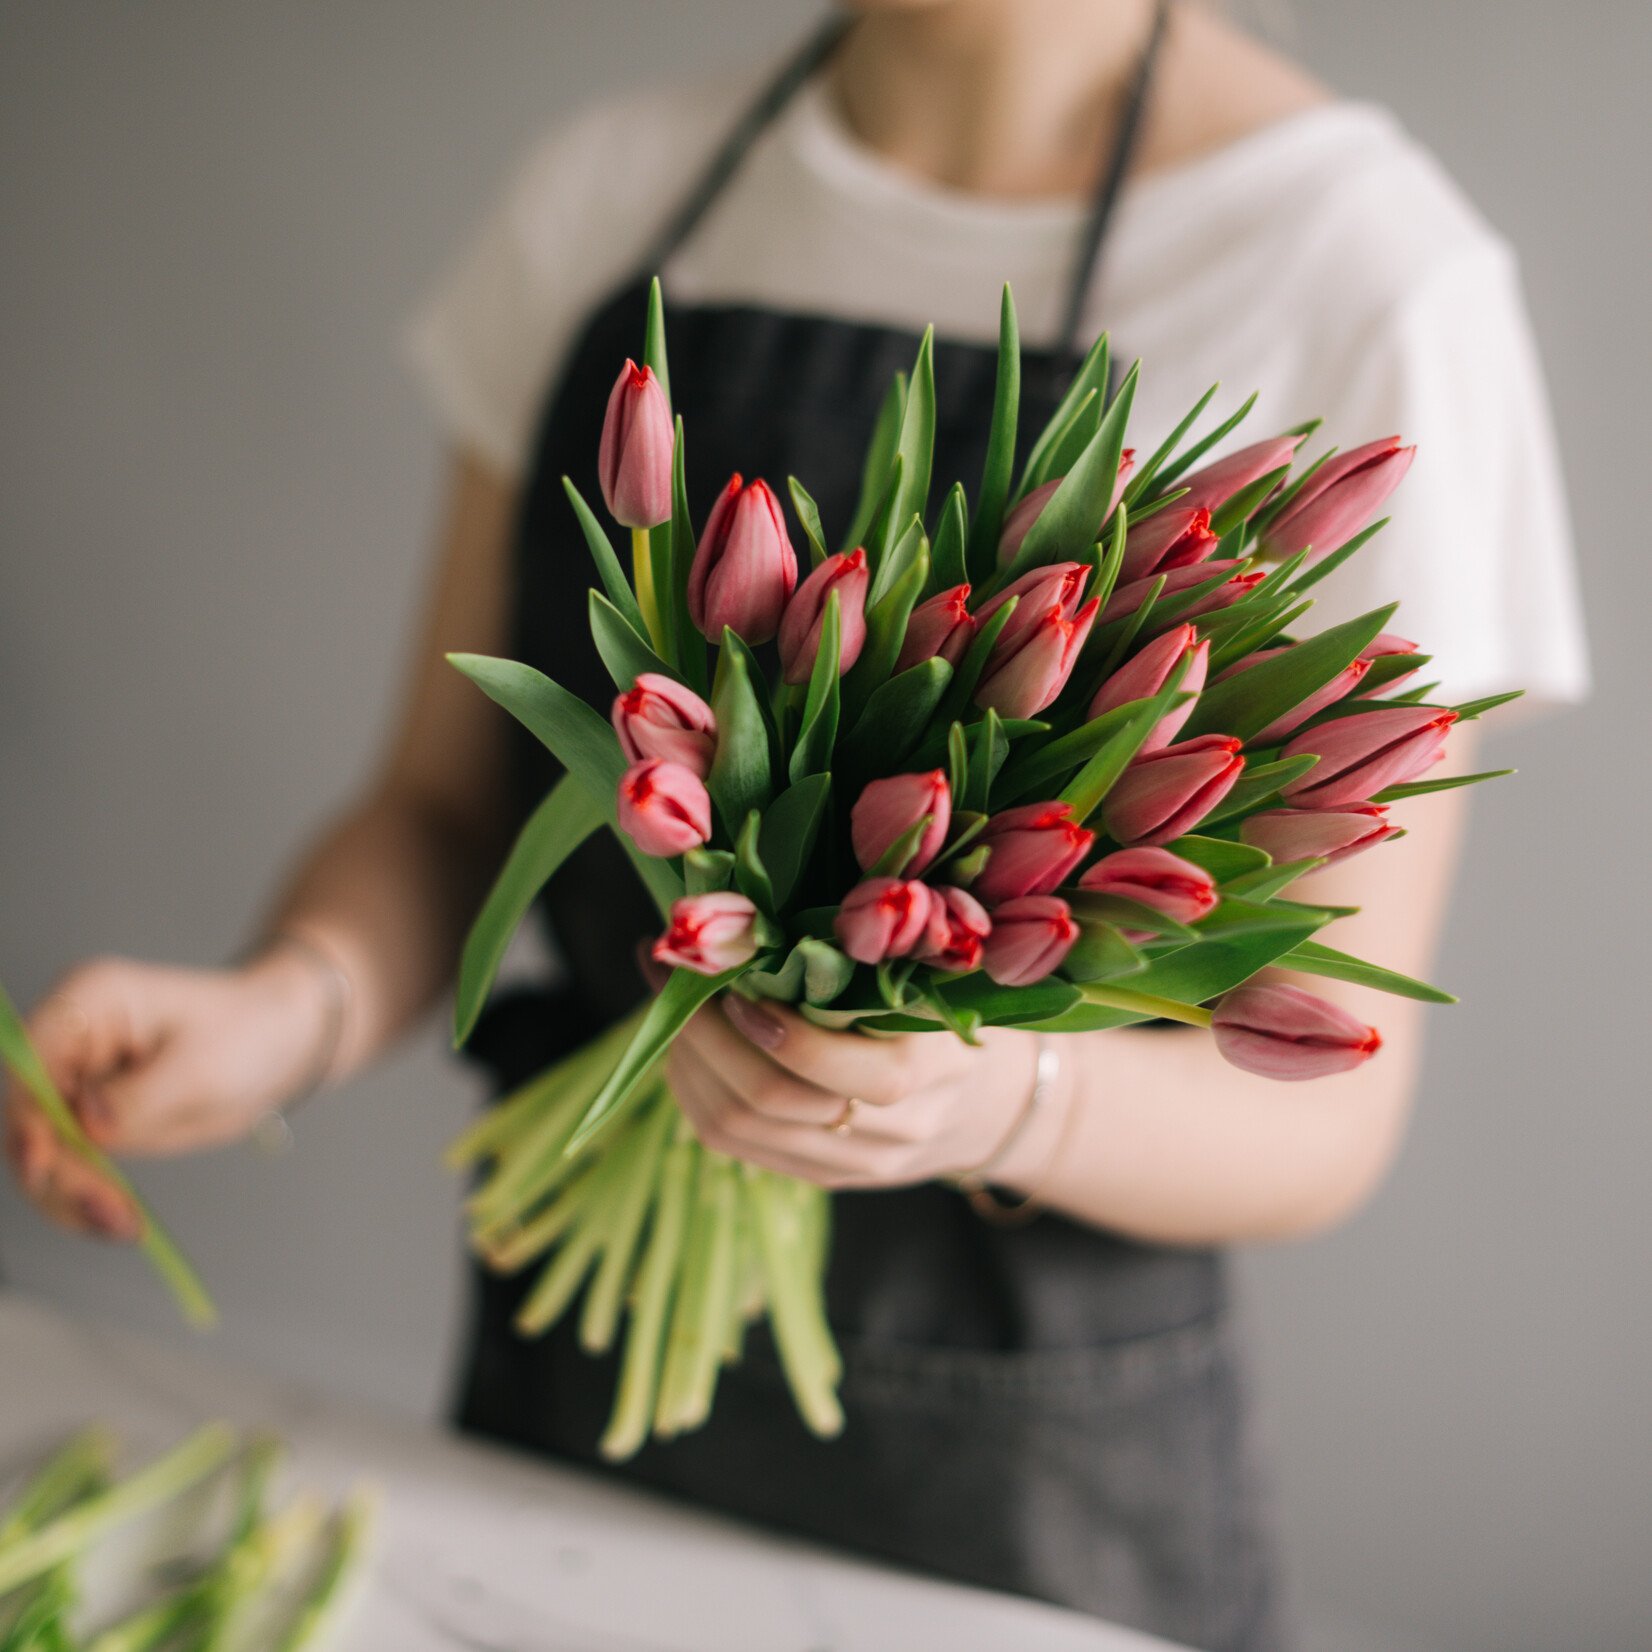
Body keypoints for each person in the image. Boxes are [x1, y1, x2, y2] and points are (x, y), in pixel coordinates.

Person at [2, 3, 1588, 1648]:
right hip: (570, 1408)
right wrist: (286, 1013)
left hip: (1024, 1486)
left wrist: (999, 1100)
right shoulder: (618, 186)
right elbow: (445, 802)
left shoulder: (1363, 274)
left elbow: (1328, 1106)